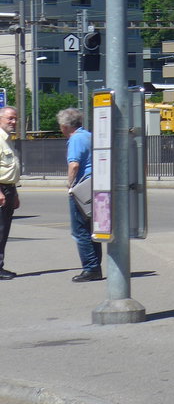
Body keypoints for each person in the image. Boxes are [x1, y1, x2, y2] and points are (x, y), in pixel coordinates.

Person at [58, 107, 102, 282]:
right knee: (92, 229)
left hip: (83, 187)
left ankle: (91, 268)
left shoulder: (75, 138)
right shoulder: (89, 136)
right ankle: (95, 265)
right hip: (96, 184)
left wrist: (70, 185)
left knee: (80, 230)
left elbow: (74, 165)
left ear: (65, 125)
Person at [0, 105, 20, 280]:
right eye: (10, 119)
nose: (14, 122)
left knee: (4, 230)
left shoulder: (8, 139)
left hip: (9, 189)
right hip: (1, 190)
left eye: (15, 119)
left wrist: (15, 193)